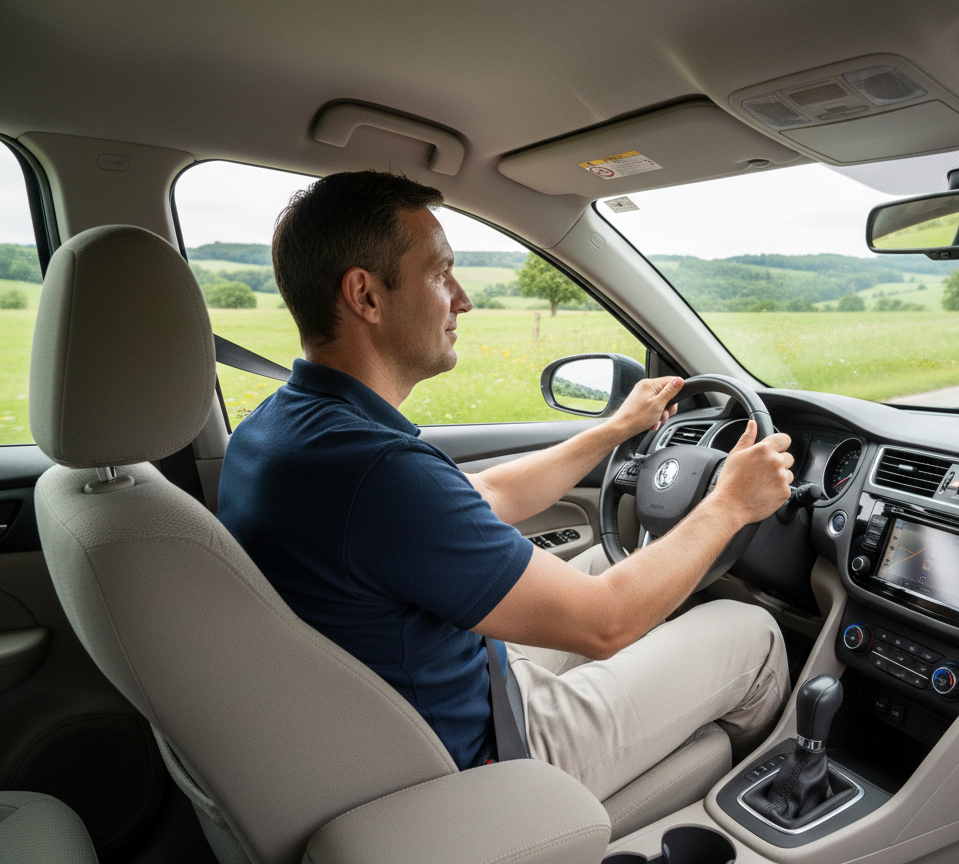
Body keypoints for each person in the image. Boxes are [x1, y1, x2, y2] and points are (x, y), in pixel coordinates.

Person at [216, 170, 796, 801]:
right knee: (753, 633)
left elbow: (482, 498)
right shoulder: (376, 472)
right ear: (366, 295)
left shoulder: (279, 429)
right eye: (440, 274)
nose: (462, 299)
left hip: (416, 708)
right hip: (485, 759)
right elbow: (605, 623)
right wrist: (731, 504)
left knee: (614, 555)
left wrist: (615, 430)